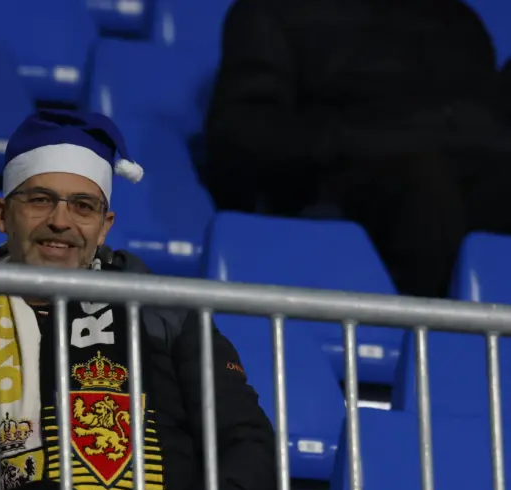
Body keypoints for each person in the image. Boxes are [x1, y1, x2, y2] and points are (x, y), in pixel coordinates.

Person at [0, 109, 391, 490]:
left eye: (82, 206)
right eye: (40, 200)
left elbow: (249, 451)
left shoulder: (164, 313)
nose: (61, 221)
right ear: (1, 214)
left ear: (104, 226)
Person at [204, 0, 511, 298]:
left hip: (461, 179)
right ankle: (428, 328)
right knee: (420, 177)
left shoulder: (456, 19)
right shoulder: (270, 11)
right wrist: (358, 139)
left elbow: (486, 123)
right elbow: (242, 133)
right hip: (340, 187)